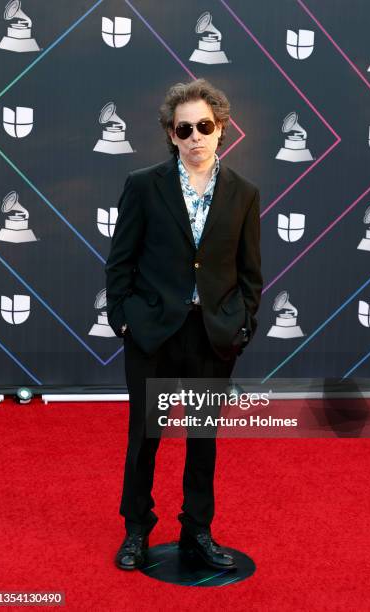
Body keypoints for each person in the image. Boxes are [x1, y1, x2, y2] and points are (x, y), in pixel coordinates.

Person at [105, 78, 263, 571]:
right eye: (184, 128)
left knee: (203, 440)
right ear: (171, 134)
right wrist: (124, 320)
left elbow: (249, 270)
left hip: (212, 335)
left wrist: (242, 324)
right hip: (152, 332)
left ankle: (197, 529)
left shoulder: (244, 193)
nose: (195, 136)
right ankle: (135, 530)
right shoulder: (142, 185)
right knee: (144, 439)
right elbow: (120, 262)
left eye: (204, 126)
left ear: (221, 130)